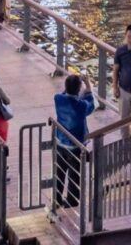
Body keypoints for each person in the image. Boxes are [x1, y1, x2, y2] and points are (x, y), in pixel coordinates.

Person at [53, 74, 95, 208]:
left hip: (60, 142)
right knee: (74, 174)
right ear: (78, 89)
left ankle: (56, 198)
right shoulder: (81, 106)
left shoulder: (58, 99)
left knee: (59, 171)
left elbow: (65, 94)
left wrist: (73, 88)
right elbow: (91, 104)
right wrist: (87, 85)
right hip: (76, 145)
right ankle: (71, 200)